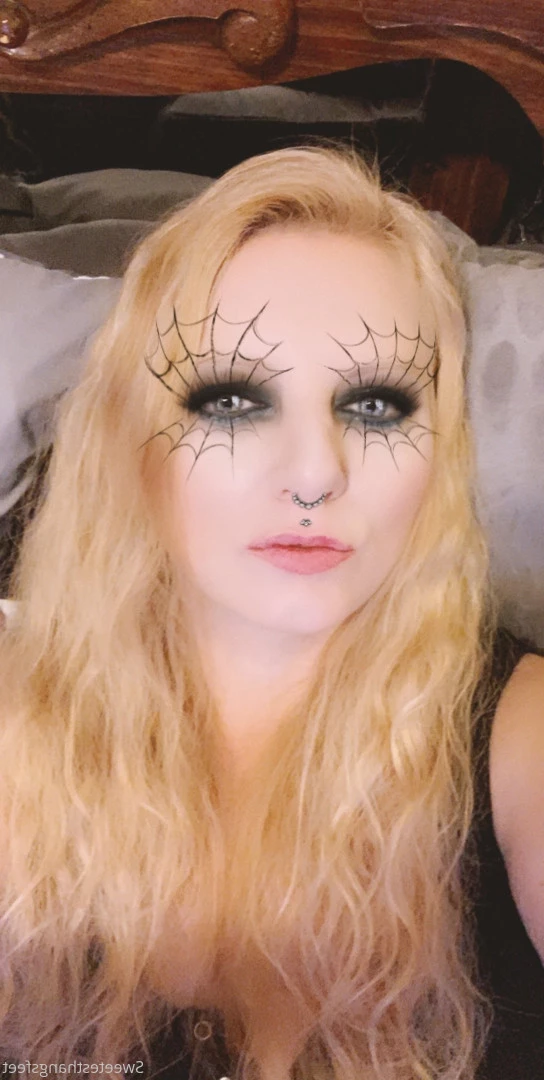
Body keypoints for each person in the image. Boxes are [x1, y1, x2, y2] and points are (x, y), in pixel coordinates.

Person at [0, 146, 542, 1080]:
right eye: (231, 400)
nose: (315, 473)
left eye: (376, 405)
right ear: (131, 440)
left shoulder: (521, 737)